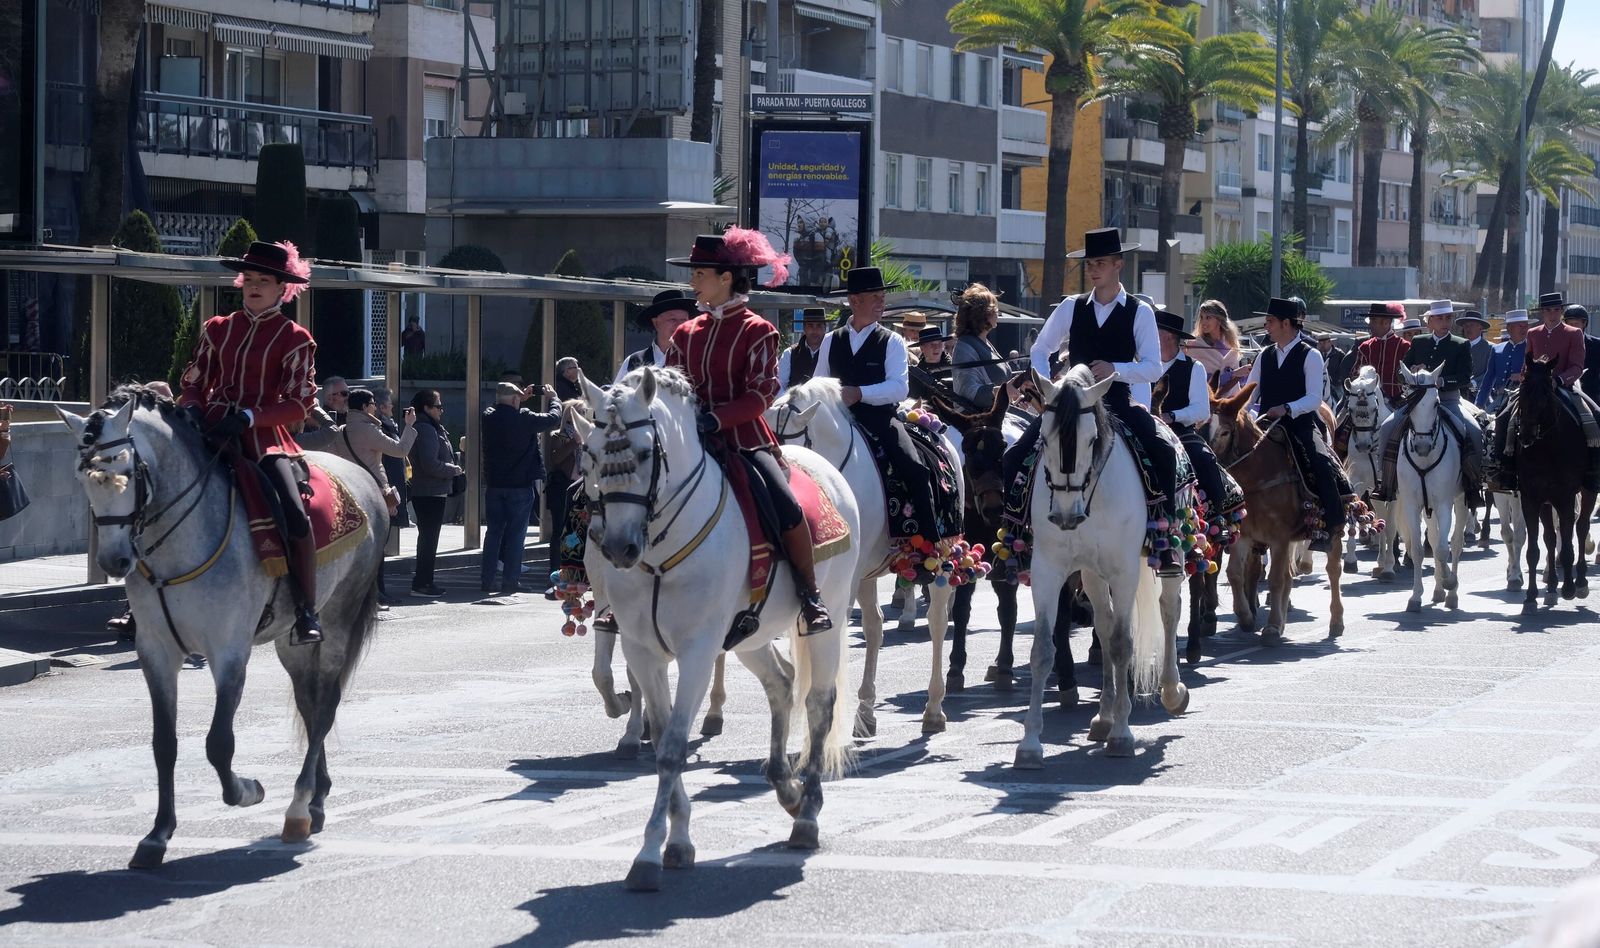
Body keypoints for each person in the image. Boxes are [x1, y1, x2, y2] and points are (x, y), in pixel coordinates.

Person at [664, 228, 832, 632]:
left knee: (786, 506)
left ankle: (810, 595)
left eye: (698, 273)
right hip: (688, 439)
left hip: (743, 439)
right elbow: (669, 385)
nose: (692, 282)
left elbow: (760, 396)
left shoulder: (759, 329)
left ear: (725, 278)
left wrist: (714, 419)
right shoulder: (684, 333)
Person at [177, 240, 325, 644]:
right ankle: (137, 604)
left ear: (283, 289)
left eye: (265, 281)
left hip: (262, 440)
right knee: (154, 489)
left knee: (294, 514)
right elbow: (192, 383)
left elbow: (299, 404)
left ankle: (306, 610)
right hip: (209, 428)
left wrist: (248, 416)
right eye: (250, 280)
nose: (255, 287)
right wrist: (192, 407)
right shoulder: (217, 328)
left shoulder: (295, 338)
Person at [1020, 226, 1182, 575]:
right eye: (1090, 263)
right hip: (1070, 404)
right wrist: (1046, 387)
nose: (1093, 270)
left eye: (1101, 263)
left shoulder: (1139, 311)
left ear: (1118, 265)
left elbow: (1153, 368)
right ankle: (1017, 538)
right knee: (1016, 452)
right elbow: (1040, 349)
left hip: (1118, 404)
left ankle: (1162, 537)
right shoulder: (1070, 307)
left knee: (1163, 451)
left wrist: (1116, 368)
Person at [813, 265, 945, 553]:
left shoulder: (892, 340)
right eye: (875, 296)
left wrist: (859, 393)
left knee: (915, 469)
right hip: (837, 420)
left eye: (882, 296)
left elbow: (899, 388)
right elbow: (817, 384)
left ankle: (928, 548)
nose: (882, 302)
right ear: (854, 300)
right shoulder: (830, 340)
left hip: (880, 420)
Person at [1241, 297, 1348, 552]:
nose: (1266, 327)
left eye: (1270, 322)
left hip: (1300, 424)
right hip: (1267, 424)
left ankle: (1331, 524)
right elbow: (1250, 392)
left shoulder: (1309, 355)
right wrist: (1238, 412)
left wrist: (1288, 408)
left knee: (1321, 461)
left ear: (1286, 324)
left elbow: (1314, 399)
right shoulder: (1264, 355)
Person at [1374, 299, 1484, 506]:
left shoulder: (1461, 344)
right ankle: (1385, 482)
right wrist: (1412, 373)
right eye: (1440, 318)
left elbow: (1464, 377)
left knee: (1475, 431)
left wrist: (1441, 380)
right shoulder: (1419, 342)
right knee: (1387, 426)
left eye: (1448, 318)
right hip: (1416, 401)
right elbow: (1400, 372)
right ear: (1430, 321)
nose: (1445, 322)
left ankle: (1473, 485)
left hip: (1448, 400)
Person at [1513, 291, 1600, 490]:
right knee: (1504, 417)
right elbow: (1526, 365)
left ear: (1561, 311)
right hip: (1535, 387)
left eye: (1556, 310)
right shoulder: (1533, 333)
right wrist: (1526, 382)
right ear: (1542, 312)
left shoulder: (1573, 333)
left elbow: (1577, 366)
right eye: (1548, 310)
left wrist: (1558, 380)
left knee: (1595, 417)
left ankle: (1594, 472)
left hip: (1565, 387)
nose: (1552, 314)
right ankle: (1506, 467)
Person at [480, 381, 560, 596]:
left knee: (493, 534)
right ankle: (510, 581)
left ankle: (487, 581)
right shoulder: (524, 417)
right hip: (520, 486)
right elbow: (554, 419)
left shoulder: (488, 416)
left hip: (495, 485)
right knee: (516, 535)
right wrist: (554, 399)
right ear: (516, 400)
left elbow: (500, 406)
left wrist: (517, 398)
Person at [1154, 308, 1226, 517]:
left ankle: (1216, 516)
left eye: (1154, 332)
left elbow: (1202, 410)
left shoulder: (1193, 368)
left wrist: (1172, 416)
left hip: (1180, 432)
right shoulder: (1145, 365)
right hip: (1147, 427)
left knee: (1204, 459)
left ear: (1168, 336)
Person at [407, 389, 464, 598]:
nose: (442, 410)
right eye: (438, 406)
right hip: (429, 491)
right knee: (429, 540)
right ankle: (422, 583)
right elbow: (430, 464)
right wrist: (454, 470)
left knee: (429, 539)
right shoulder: (426, 429)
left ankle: (424, 581)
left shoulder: (430, 427)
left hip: (431, 491)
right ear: (427, 408)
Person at [951, 282, 1011, 411]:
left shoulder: (983, 342)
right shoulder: (964, 347)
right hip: (979, 422)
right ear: (984, 315)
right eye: (995, 310)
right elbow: (969, 393)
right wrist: (1004, 391)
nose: (998, 314)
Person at [1351, 302, 1411, 403]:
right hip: (1369, 401)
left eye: (1373, 320)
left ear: (1386, 322)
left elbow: (1410, 378)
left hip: (1399, 402)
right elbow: (1354, 375)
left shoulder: (1404, 346)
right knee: (1343, 413)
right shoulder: (1365, 347)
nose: (1369, 324)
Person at [623, 290, 695, 374]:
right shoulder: (634, 362)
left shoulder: (696, 360)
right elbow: (619, 387)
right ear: (656, 323)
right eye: (673, 319)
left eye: (684, 320)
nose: (679, 325)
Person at [1183, 298, 1243, 394]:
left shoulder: (1231, 343)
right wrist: (1234, 374)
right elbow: (1202, 380)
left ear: (1219, 319)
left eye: (1208, 317)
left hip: (1231, 402)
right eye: (1201, 317)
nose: (1203, 322)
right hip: (1207, 401)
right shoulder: (1194, 345)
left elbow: (1238, 381)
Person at [1477, 310, 1529, 411]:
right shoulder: (1497, 349)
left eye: (1525, 326)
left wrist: (1522, 376)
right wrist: (1479, 405)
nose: (1524, 329)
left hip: (1523, 398)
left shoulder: (1532, 349)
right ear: (1509, 328)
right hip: (1500, 398)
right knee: (1483, 423)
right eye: (1519, 326)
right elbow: (1488, 379)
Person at [374, 389, 410, 528]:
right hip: (386, 486)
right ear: (382, 407)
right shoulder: (379, 429)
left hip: (393, 485)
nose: (393, 407)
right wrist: (409, 425)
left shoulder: (390, 426)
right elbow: (399, 450)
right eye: (390, 404)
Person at [778, 308, 829, 394]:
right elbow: (779, 386)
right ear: (804, 328)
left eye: (819, 325)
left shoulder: (832, 352)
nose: (815, 330)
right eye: (810, 325)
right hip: (794, 405)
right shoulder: (790, 353)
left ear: (825, 328)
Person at [1562, 303, 1600, 407]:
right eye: (1570, 324)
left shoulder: (1596, 345)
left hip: (1590, 393)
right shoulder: (1558, 344)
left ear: (1584, 323)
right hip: (1565, 391)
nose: (1573, 328)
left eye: (1576, 324)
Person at [1458, 311, 1494, 398]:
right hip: (1458, 395)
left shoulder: (1491, 348)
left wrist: (1474, 383)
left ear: (1480, 327)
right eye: (1466, 326)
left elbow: (1492, 373)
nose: (1468, 329)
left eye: (1471, 325)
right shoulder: (1458, 347)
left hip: (1481, 395)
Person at [1316, 333, 1350, 408]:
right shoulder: (1317, 354)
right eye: (1320, 343)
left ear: (1330, 342)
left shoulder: (1339, 354)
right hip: (1320, 384)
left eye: (1324, 343)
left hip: (1336, 384)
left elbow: (1345, 368)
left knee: (1342, 401)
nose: (1322, 345)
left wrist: (1338, 379)